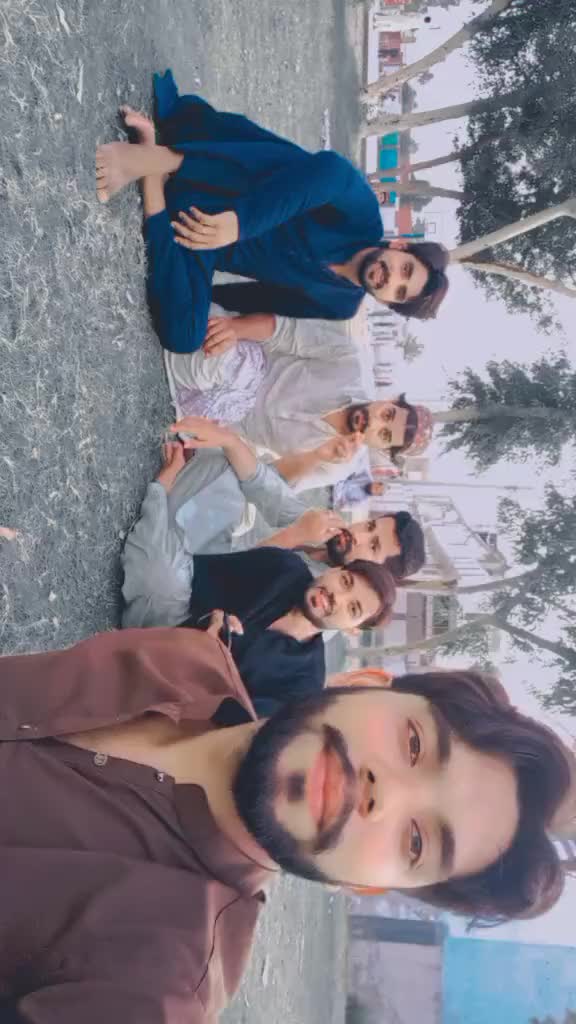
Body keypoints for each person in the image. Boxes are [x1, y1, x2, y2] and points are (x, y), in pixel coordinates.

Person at [0, 629, 569, 1021]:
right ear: (360, 680)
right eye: (414, 744)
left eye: (417, 840)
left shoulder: (160, 982)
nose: (385, 793)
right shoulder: (187, 661)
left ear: (364, 885)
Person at [95, 72, 449, 354]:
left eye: (399, 292)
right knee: (296, 169)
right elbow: (333, 172)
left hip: (200, 235)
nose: (391, 279)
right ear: (400, 247)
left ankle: (151, 175)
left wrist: (208, 308)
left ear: (389, 302)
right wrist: (240, 224)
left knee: (185, 337)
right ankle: (154, 160)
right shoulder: (364, 218)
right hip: (214, 170)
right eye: (404, 269)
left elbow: (260, 297)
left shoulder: (340, 304)